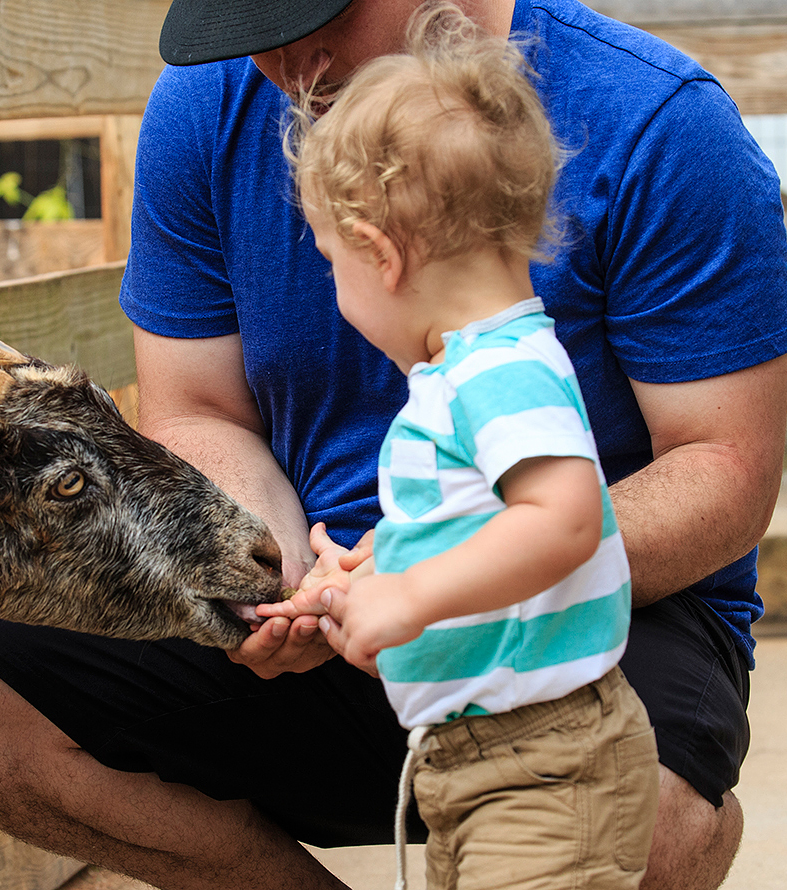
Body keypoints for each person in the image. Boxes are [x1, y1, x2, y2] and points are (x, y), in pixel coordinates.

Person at [0, 1, 787, 889]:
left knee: (637, 813)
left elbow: (720, 470)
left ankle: (670, 807)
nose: (287, 63)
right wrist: (273, 574)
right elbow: (196, 410)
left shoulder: (659, 121)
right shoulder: (205, 108)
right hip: (353, 594)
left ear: (380, 255)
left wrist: (427, 581)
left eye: (316, 12)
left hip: (578, 621)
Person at [258, 7, 657, 885]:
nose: (337, 288)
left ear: (379, 254)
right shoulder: (471, 372)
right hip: (480, 761)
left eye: (332, 263)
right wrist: (376, 575)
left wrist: (411, 602)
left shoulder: (498, 375)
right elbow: (483, 529)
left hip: (546, 767)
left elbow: (565, 519)